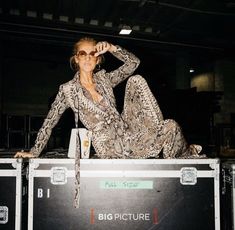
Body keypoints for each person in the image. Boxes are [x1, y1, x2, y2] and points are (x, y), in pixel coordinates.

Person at [14, 37, 204, 206]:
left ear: (97, 59)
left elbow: (134, 63)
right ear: (76, 59)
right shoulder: (68, 91)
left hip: (131, 135)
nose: (88, 57)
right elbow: (50, 121)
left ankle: (180, 150)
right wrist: (34, 151)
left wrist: (113, 48)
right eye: (83, 53)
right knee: (168, 127)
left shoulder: (104, 79)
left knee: (164, 117)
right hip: (110, 147)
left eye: (92, 53)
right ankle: (177, 149)